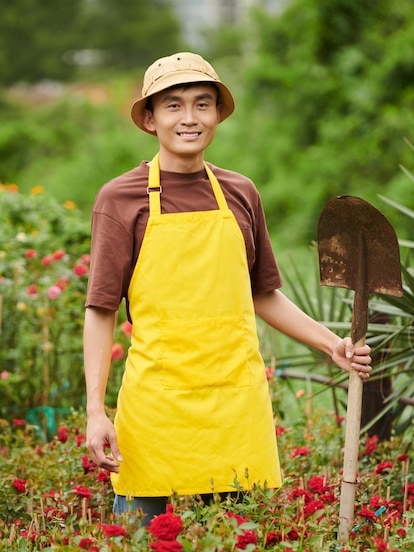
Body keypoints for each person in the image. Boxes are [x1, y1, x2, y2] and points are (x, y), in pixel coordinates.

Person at [84, 52, 371, 524]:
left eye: (203, 103)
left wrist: (331, 344)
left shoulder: (241, 192)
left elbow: (262, 293)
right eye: (173, 106)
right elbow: (101, 309)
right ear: (150, 119)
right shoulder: (121, 198)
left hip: (233, 401)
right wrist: (96, 410)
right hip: (157, 402)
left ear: (217, 114)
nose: (190, 118)